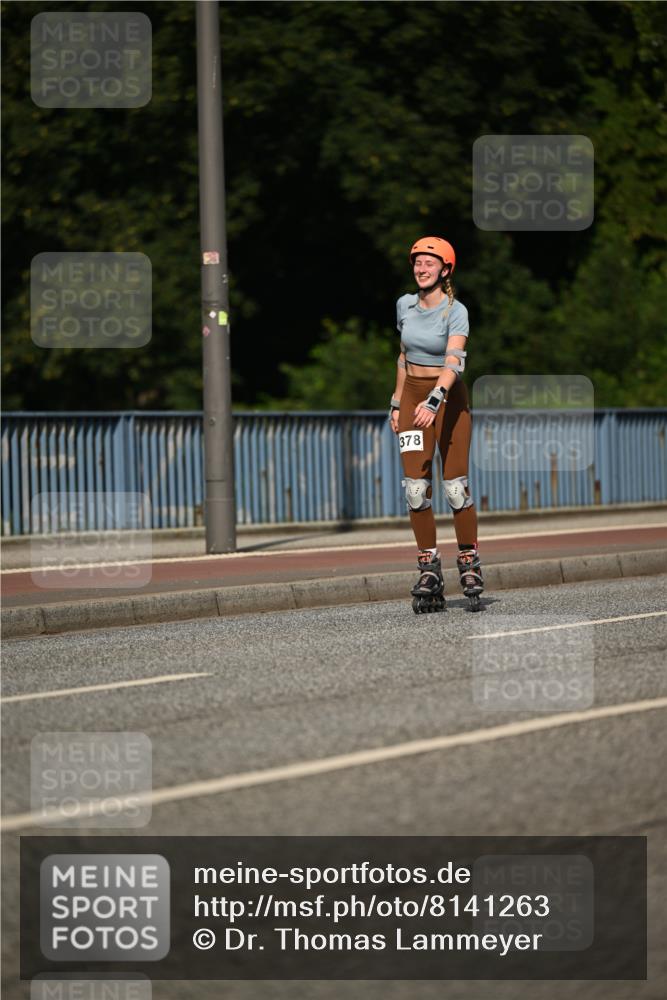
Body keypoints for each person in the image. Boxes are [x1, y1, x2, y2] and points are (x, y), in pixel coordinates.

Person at [389, 236, 484, 613]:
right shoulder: (404, 305)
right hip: (413, 396)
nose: (421, 269)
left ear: (445, 269)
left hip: (448, 400)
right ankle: (429, 568)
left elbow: (455, 363)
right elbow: (403, 356)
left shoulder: (454, 311)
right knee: (415, 489)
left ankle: (468, 563)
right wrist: (398, 402)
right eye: (417, 263)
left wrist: (434, 399)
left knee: (455, 488)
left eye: (430, 263)